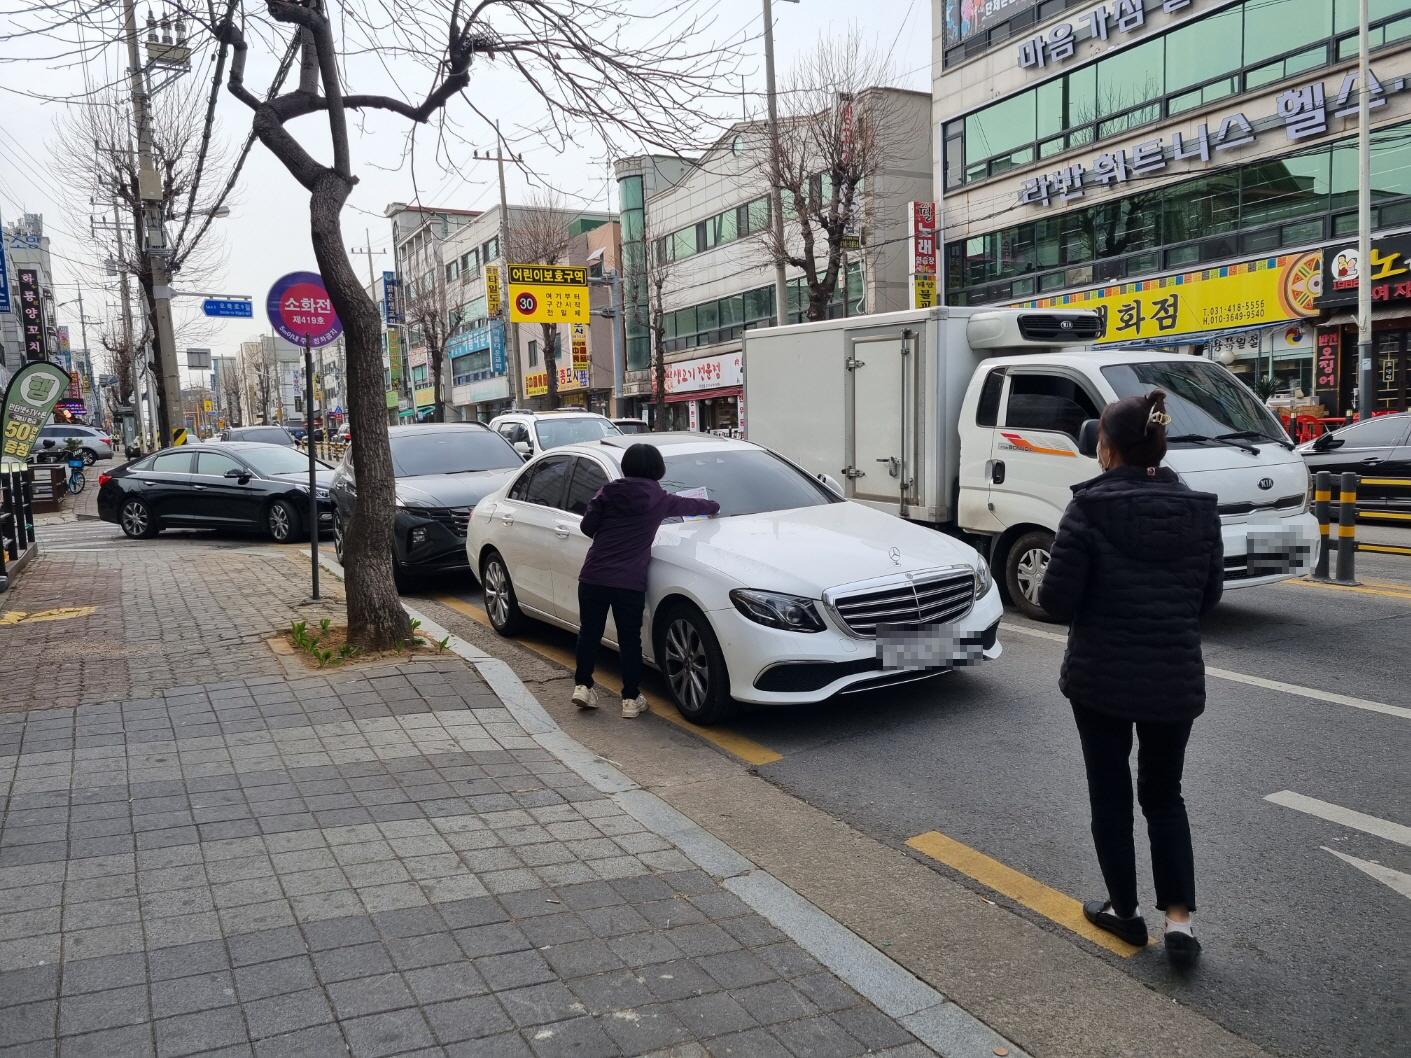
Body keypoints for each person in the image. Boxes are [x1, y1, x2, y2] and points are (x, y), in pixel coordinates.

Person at [1038, 390, 1223, 969]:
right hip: (1173, 676)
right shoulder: (1198, 509)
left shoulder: (1088, 509)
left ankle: (1125, 910)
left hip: (1101, 680)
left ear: (1108, 448)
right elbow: (1208, 597)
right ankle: (1180, 923)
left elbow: (1057, 600)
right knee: (1165, 795)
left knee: (1110, 792)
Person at [572, 443, 720, 718]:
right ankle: (630, 699)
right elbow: (695, 505)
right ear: (657, 469)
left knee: (589, 632)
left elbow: (586, 527)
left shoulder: (607, 492)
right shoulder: (660, 499)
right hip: (628, 581)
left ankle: (582, 686)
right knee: (630, 639)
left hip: (593, 576)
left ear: (626, 466)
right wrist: (714, 505)